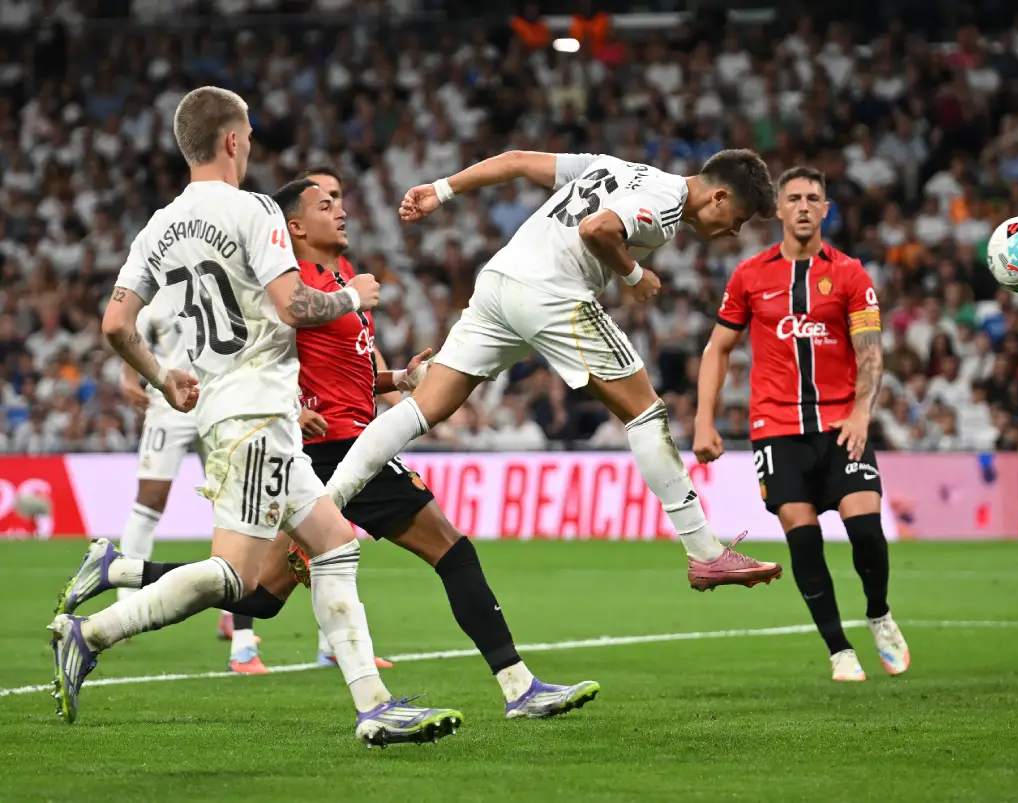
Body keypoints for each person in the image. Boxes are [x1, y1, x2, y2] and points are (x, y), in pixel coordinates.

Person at [72, 168, 599, 718]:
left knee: (257, 594)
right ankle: (517, 687)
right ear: (294, 226)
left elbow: (353, 374)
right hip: (337, 447)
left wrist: (399, 379)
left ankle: (117, 569)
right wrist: (287, 407)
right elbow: (249, 348)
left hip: (335, 444)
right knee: (453, 551)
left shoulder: (338, 278)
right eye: (326, 204)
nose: (340, 210)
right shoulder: (289, 282)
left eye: (340, 199)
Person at [49, 86, 463, 747]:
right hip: (253, 412)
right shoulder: (255, 210)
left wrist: (164, 375)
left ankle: (374, 706)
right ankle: (93, 630)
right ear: (234, 141)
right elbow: (296, 305)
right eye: (250, 133)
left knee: (334, 544)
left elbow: (115, 322)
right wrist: (353, 296)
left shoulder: (158, 226)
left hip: (240, 409)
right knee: (237, 576)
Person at [323, 149, 783, 590]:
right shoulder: (666, 203)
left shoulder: (615, 166)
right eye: (738, 220)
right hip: (552, 293)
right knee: (646, 413)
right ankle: (705, 553)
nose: (734, 232)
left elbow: (516, 161)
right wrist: (634, 275)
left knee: (422, 408)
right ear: (719, 197)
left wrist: (442, 190)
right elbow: (597, 228)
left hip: (500, 282)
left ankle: (327, 505)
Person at [693, 166, 910, 681]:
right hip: (777, 430)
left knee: (866, 532)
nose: (805, 206)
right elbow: (718, 348)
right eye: (795, 198)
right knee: (804, 539)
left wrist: (862, 412)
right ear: (779, 209)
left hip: (841, 425)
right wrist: (704, 420)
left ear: (826, 208)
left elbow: (871, 352)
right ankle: (839, 650)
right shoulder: (749, 275)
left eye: (815, 196)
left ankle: (878, 613)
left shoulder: (852, 274)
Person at [113, 294, 202, 605]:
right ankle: (125, 600)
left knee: (231, 501)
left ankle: (235, 611)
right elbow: (127, 332)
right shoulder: (157, 300)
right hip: (168, 402)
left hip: (218, 400)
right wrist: (127, 378)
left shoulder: (219, 280)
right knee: (150, 497)